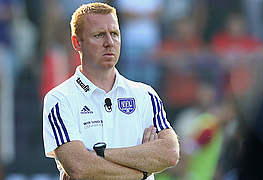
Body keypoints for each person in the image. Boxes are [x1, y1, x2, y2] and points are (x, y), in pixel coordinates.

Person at [42, 2, 179, 180]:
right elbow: (81, 168)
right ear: (77, 43)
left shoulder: (145, 95)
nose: (109, 42)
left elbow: (169, 153)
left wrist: (99, 154)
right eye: (99, 35)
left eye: (114, 34)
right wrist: (144, 170)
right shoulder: (60, 99)